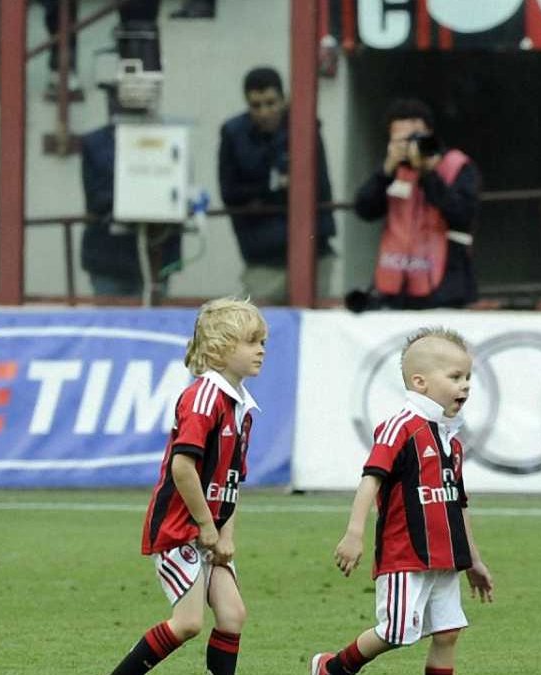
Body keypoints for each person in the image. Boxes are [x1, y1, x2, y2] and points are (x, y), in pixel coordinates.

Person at [310, 327, 494, 675]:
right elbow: (370, 479)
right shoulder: (401, 427)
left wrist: (473, 560)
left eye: (468, 377)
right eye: (455, 377)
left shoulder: (451, 440)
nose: (466, 385)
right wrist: (354, 533)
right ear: (420, 383)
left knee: (448, 633)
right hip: (405, 555)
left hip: (445, 558)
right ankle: (332, 668)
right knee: (396, 632)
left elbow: (458, 504)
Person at [107, 297, 267, 675]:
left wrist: (225, 535)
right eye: (251, 342)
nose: (261, 350)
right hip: (179, 526)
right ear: (220, 349)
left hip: (209, 530)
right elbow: (182, 468)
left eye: (263, 342)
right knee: (188, 622)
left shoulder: (242, 408)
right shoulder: (203, 398)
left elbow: (231, 482)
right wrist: (206, 526)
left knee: (232, 615)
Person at [219, 66, 337, 304]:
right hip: (263, 256)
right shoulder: (233, 134)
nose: (264, 112)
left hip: (313, 252)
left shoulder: (305, 127)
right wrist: (274, 187)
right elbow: (229, 192)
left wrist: (262, 193)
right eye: (256, 105)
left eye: (271, 103)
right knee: (258, 323)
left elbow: (321, 187)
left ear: (283, 100)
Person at [353, 99, 481, 309]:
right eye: (401, 141)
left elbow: (462, 214)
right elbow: (364, 210)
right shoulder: (393, 170)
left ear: (430, 134)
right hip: (396, 288)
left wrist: (428, 173)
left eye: (415, 138)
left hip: (445, 288)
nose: (409, 145)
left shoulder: (456, 166)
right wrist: (386, 171)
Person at [80, 114, 183, 299]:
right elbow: (96, 199)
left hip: (158, 255)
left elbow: (179, 192)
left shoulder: (171, 137)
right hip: (109, 258)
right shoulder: (96, 143)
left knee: (155, 313)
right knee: (110, 315)